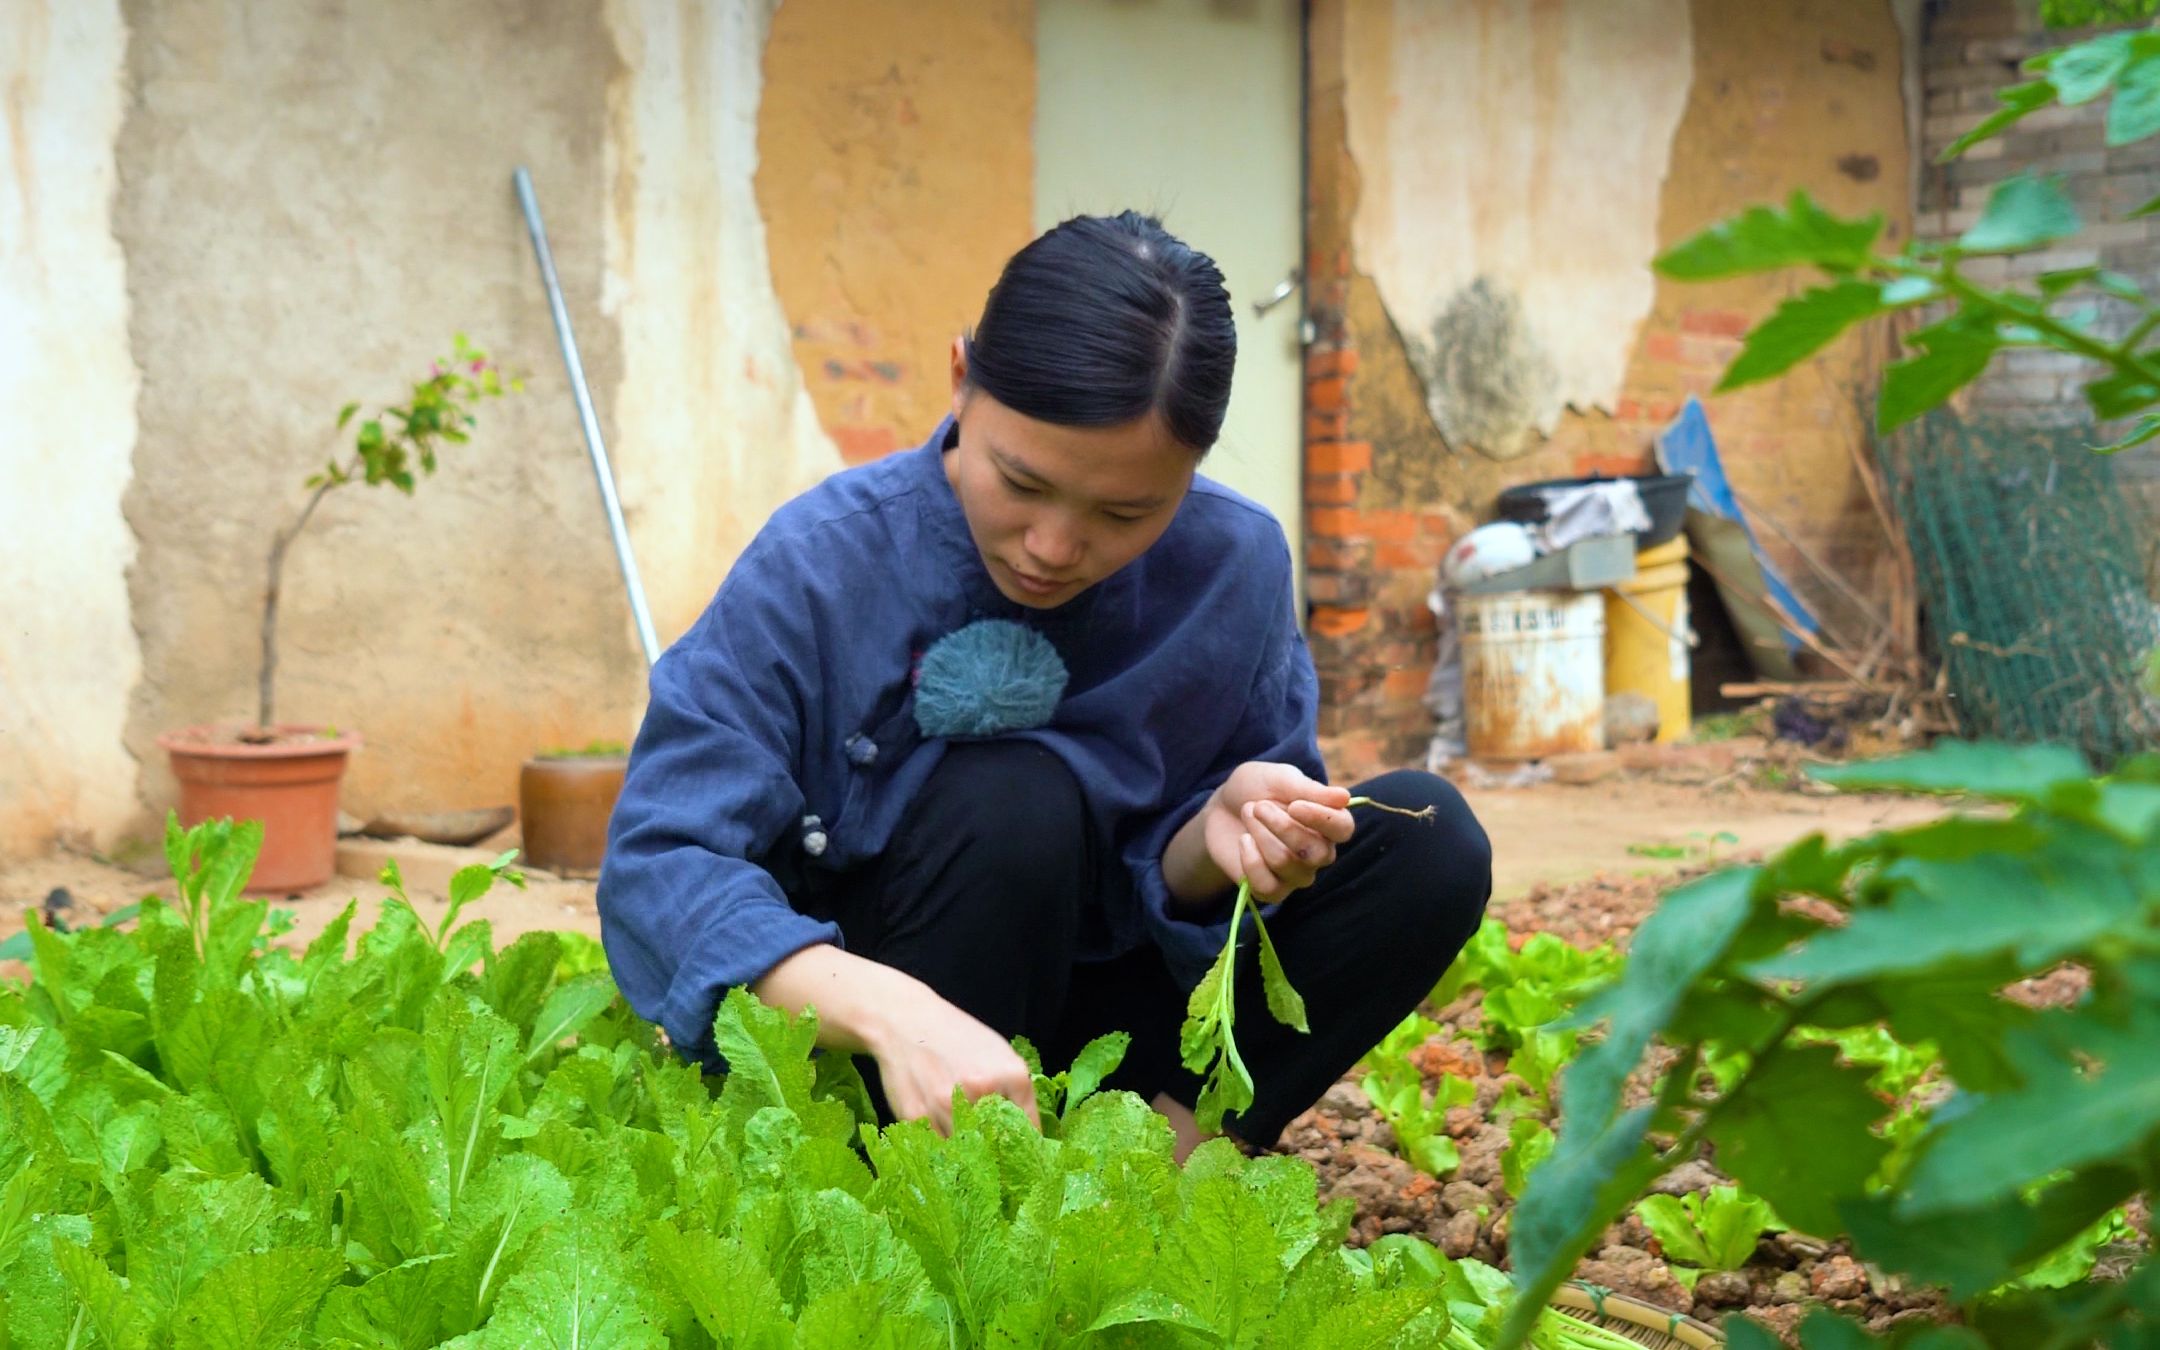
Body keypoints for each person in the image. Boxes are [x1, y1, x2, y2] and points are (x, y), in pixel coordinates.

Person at [596, 211, 1491, 1157]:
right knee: (1011, 795)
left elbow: (1238, 914)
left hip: (1118, 1026)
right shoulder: (823, 565)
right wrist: (890, 1012)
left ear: (1192, 467)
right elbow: (663, 859)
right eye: (1020, 484)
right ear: (959, 382)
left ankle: (1153, 1163)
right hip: (889, 1039)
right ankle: (921, 1176)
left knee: (1428, 845)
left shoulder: (1235, 565)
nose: (1055, 547)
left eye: (1125, 510)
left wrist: (1212, 839)